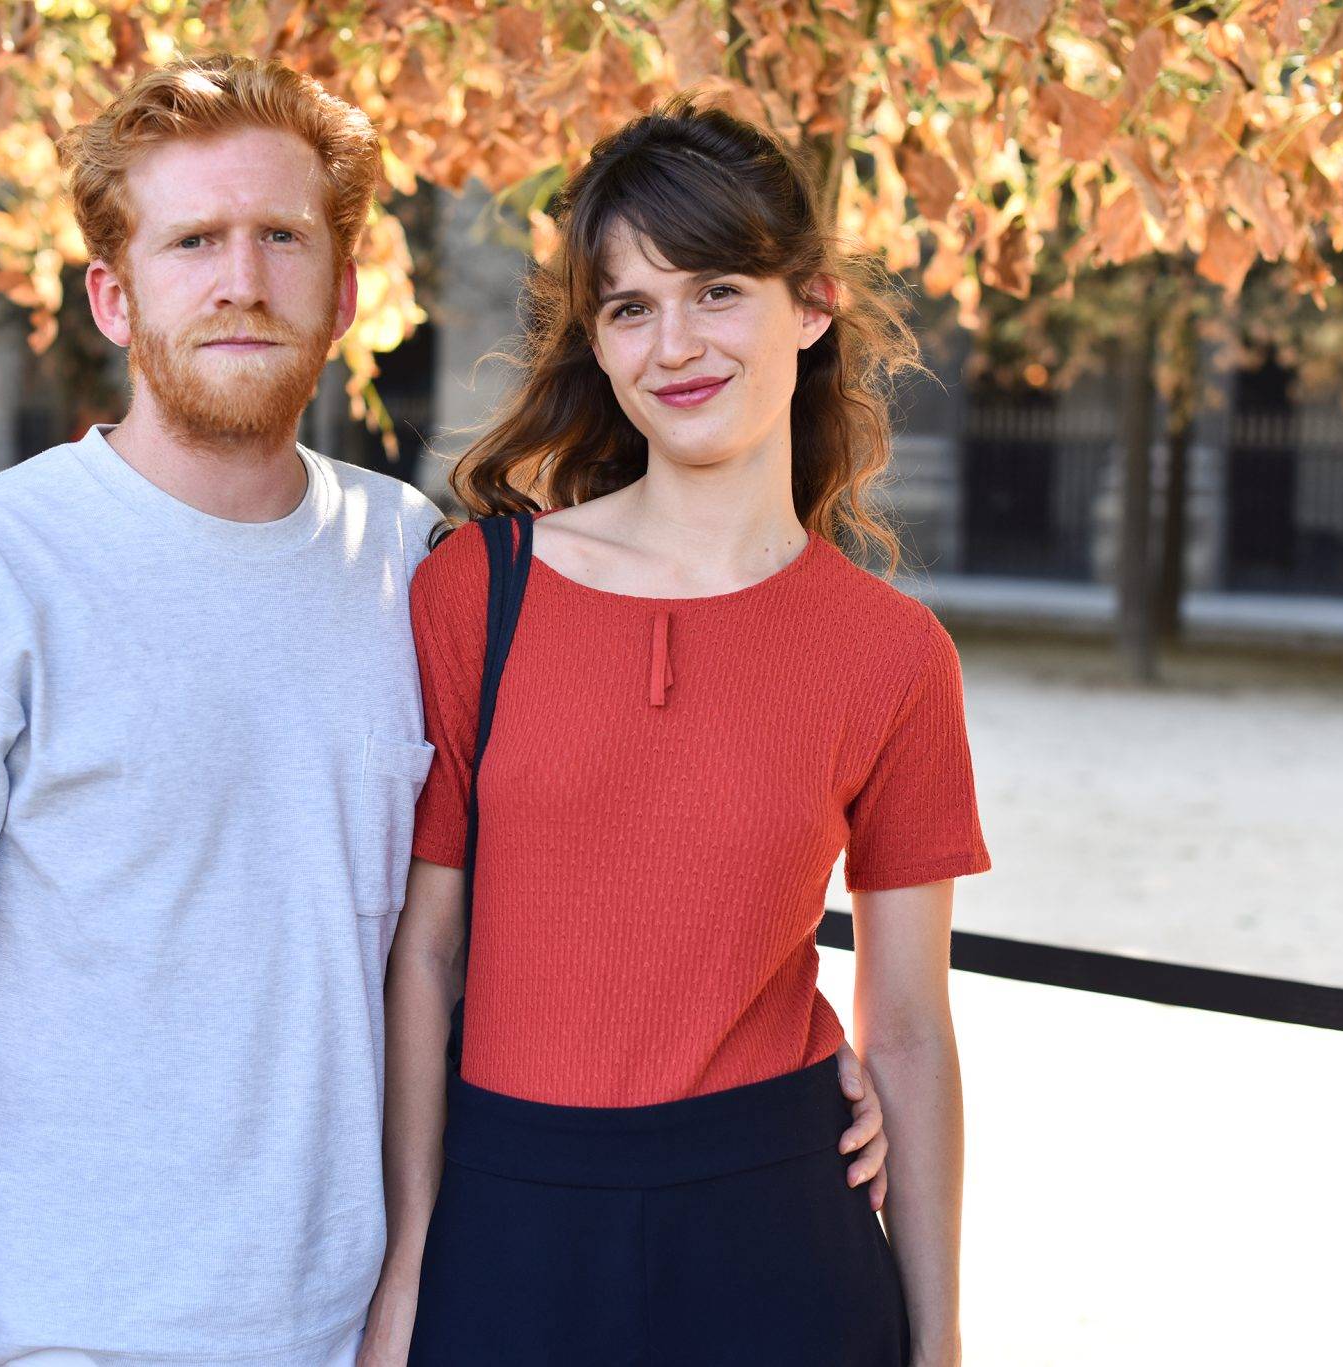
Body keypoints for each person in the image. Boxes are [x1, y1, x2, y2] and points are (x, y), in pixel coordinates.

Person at [0, 56, 894, 1367]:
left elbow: (570, 866)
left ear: (349, 290)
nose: (242, 279)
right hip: (70, 1330)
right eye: (193, 239)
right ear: (112, 291)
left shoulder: (418, 562)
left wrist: (794, 1074)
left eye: (282, 237)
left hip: (377, 1322)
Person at [365, 97, 991, 1367]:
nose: (673, 344)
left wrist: (937, 1337)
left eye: (715, 290)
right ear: (594, 342)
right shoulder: (474, 592)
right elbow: (423, 958)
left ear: (808, 306)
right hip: (505, 1224)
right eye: (629, 306)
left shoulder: (892, 656)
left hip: (775, 1233)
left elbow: (910, 1025)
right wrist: (407, 1270)